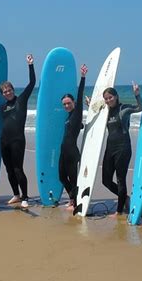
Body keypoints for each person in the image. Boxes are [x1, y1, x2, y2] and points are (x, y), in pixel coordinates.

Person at [102, 83, 142, 216]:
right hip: (110, 148)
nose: (109, 100)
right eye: (106, 99)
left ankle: (119, 211)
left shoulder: (124, 108)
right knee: (106, 181)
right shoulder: (105, 111)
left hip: (123, 147)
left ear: (116, 96)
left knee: (121, 179)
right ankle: (124, 198)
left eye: (110, 97)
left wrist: (137, 94)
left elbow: (140, 108)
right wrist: (90, 105)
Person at [0, 54, 36, 209]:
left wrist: (30, 65)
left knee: (18, 169)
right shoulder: (2, 107)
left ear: (13, 90)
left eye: (9, 90)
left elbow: (32, 83)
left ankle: (25, 197)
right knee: (9, 169)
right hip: (4, 141)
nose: (7, 92)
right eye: (4, 91)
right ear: (2, 94)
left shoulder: (21, 100)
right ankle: (16, 194)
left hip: (17, 140)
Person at [59, 64, 88, 210]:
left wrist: (83, 77)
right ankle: (72, 198)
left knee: (73, 178)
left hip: (71, 152)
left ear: (74, 103)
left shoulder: (76, 113)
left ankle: (76, 202)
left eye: (68, 103)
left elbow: (80, 94)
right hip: (63, 151)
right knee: (62, 177)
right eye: (64, 104)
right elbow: (77, 127)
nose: (66, 106)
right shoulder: (69, 116)